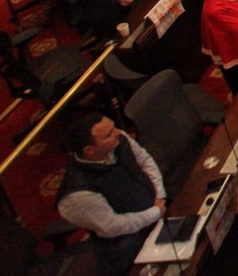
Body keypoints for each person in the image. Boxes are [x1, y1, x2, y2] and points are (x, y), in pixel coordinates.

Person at [57, 114, 166, 276]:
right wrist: (155, 213)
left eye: (113, 127)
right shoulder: (78, 194)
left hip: (155, 209)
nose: (118, 132)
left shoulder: (118, 139)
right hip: (127, 242)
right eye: (108, 134)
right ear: (90, 150)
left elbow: (144, 160)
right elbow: (112, 226)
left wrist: (159, 194)